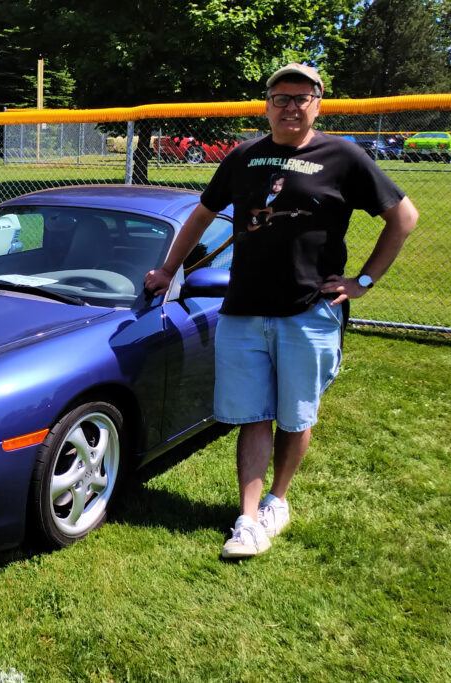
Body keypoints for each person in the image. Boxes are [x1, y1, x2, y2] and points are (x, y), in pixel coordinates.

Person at [144, 63, 419, 559]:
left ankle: (278, 499)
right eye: (281, 97)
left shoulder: (344, 156)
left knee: (295, 415)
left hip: (309, 311)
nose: (291, 106)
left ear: (318, 103)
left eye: (302, 97)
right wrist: (168, 269)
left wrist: (363, 281)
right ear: (266, 104)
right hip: (243, 310)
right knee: (253, 414)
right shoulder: (244, 157)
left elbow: (404, 217)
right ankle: (247, 520)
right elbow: (202, 214)